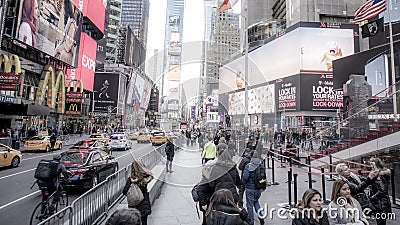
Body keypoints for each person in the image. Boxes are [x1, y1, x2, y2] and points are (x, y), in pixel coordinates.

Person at [122, 160, 153, 225]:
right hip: (144, 204)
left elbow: (124, 191)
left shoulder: (130, 179)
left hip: (134, 206)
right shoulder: (145, 178)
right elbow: (150, 175)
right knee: (144, 222)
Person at [242, 150, 265, 225]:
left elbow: (245, 177)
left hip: (250, 188)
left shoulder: (249, 165)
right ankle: (261, 216)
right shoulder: (261, 165)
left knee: (249, 205)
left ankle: (251, 222)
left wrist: (243, 183)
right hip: (259, 188)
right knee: (256, 202)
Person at [368, 158, 392, 225]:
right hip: (382, 202)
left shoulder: (378, 175)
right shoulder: (379, 173)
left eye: (372, 164)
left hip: (380, 203)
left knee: (380, 222)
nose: (371, 166)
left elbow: (382, 190)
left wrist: (372, 198)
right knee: (381, 222)